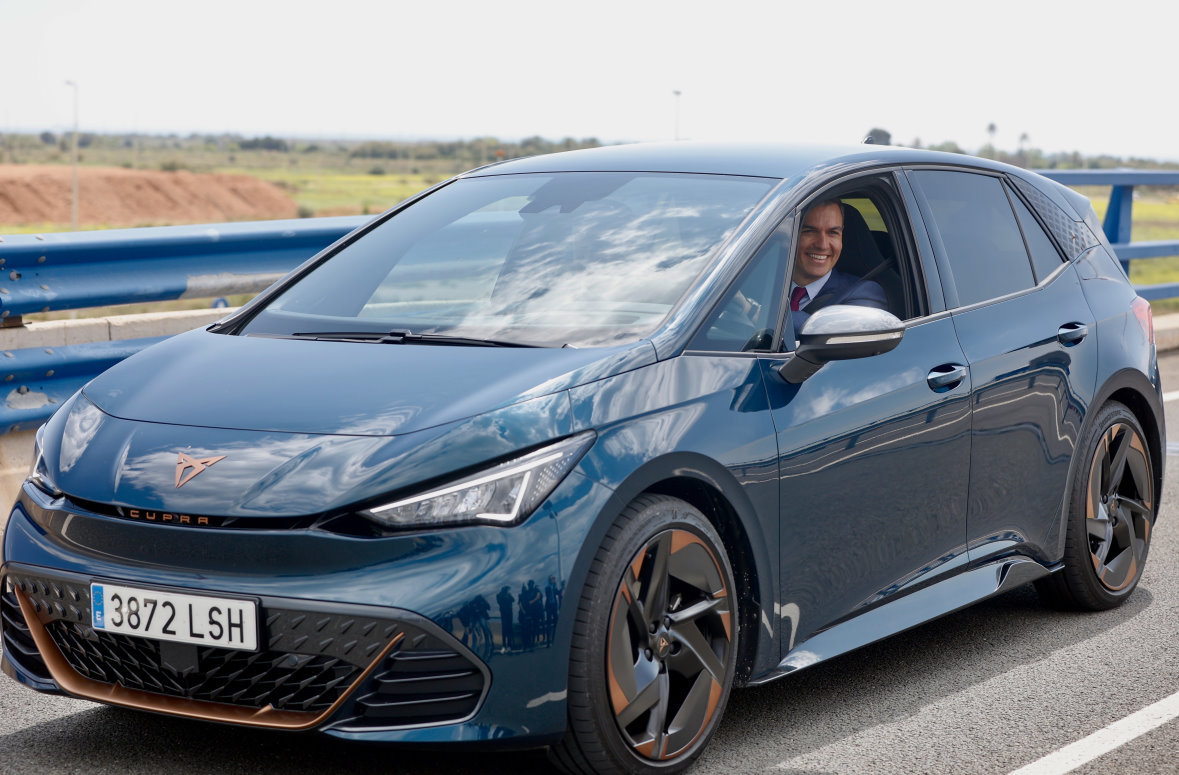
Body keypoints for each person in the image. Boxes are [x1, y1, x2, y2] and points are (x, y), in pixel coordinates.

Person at [789, 199, 887, 332]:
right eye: (809, 231)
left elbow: (829, 332)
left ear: (842, 237)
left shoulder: (865, 293)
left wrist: (758, 313)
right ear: (789, 234)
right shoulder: (758, 280)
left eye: (833, 233)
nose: (822, 245)